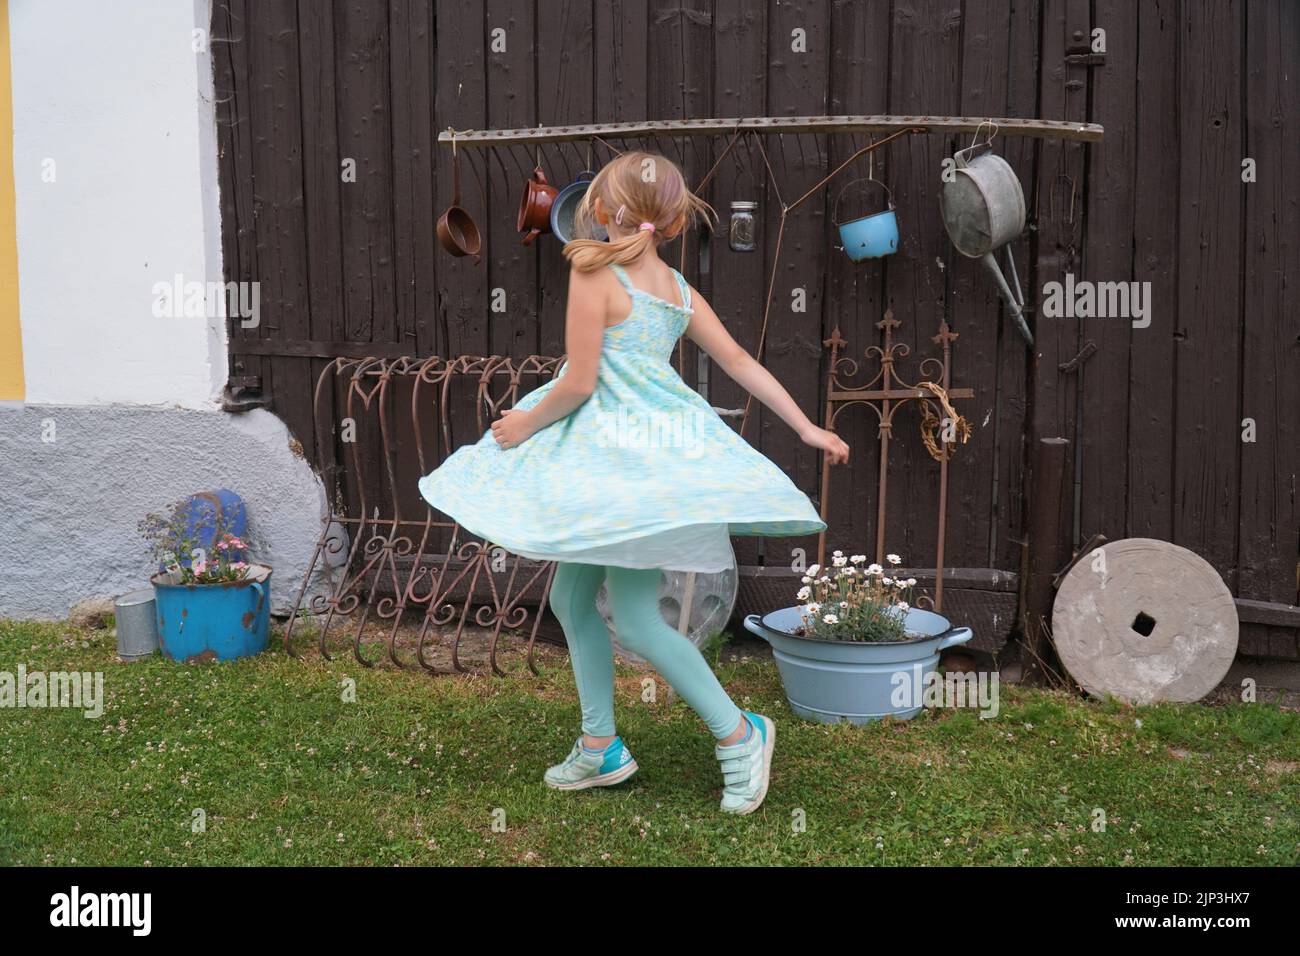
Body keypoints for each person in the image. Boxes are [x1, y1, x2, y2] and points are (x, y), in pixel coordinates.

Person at [419, 151, 849, 814]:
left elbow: (581, 383)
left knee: (642, 620)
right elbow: (737, 360)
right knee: (571, 600)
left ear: (604, 209)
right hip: (649, 461)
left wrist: (524, 423)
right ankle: (600, 747)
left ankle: (741, 735)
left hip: (618, 469)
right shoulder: (678, 290)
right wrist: (805, 428)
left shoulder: (593, 275)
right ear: (671, 221)